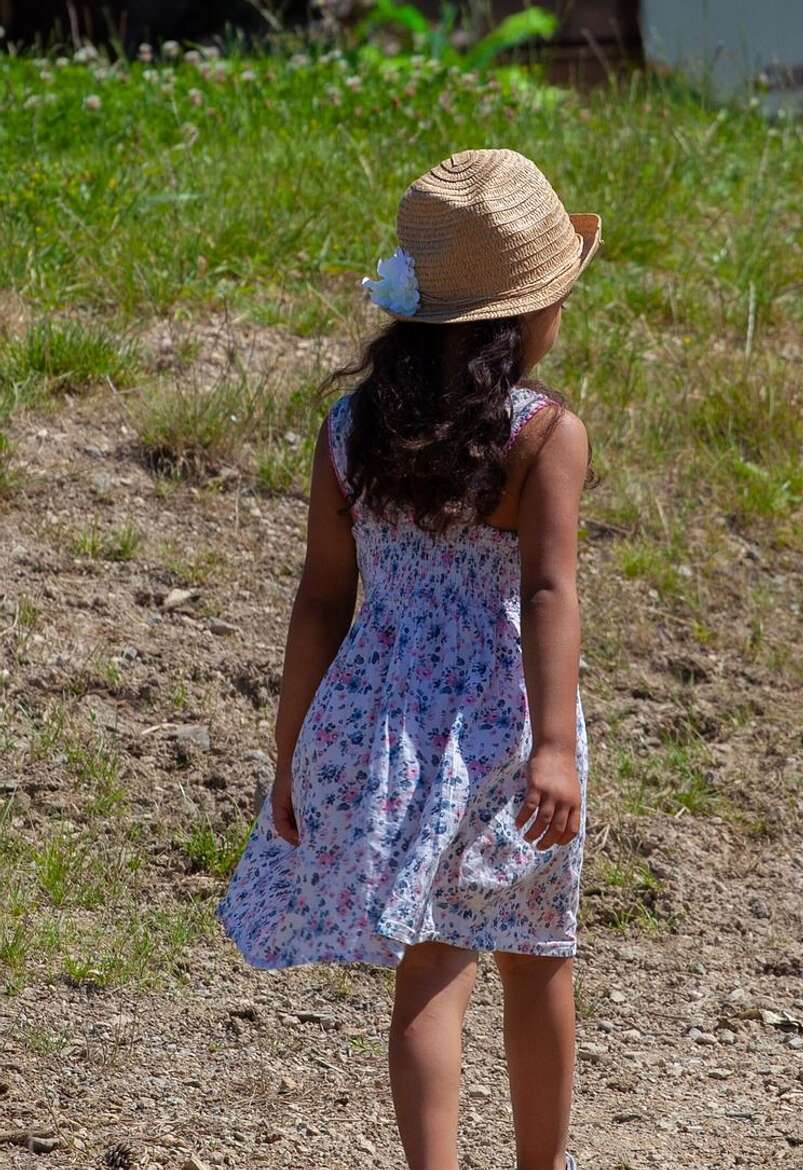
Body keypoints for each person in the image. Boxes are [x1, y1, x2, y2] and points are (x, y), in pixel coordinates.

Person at [215, 148, 599, 1170]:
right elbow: (547, 589)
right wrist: (555, 745)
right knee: (534, 956)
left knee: (430, 968)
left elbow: (321, 601)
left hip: (381, 722)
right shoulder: (544, 435)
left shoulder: (352, 429)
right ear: (527, 317)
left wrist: (293, 747)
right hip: (503, 727)